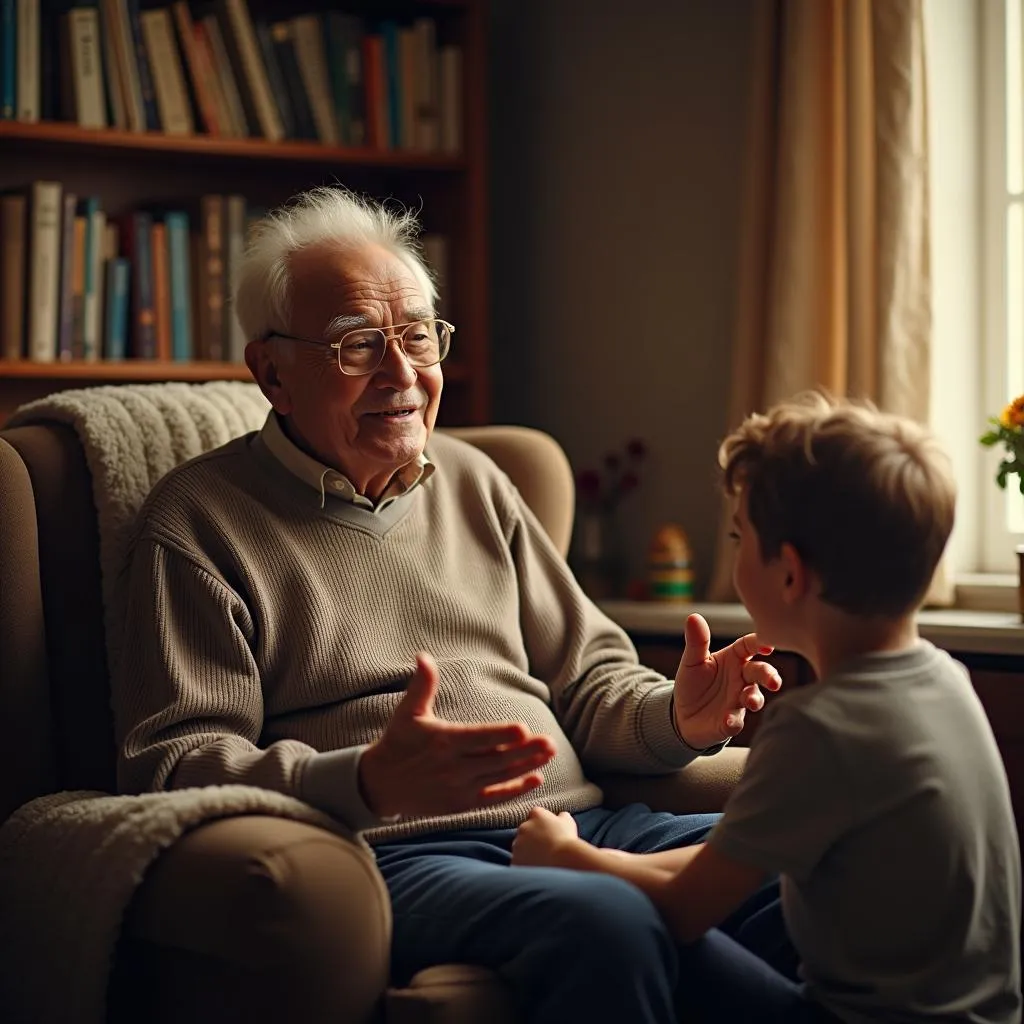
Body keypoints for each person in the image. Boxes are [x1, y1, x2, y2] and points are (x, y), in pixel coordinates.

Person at [112, 185, 791, 1023]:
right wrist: (363, 777)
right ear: (272, 373)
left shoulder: (476, 481)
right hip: (395, 854)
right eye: (359, 344)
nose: (402, 374)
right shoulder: (199, 521)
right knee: (607, 922)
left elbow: (590, 678)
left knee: (801, 872)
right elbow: (174, 764)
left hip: (581, 824)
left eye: (418, 337)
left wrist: (676, 720)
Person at [512, 393, 1023, 1024]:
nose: (733, 553)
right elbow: (732, 856)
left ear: (790, 574)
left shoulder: (818, 729)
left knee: (610, 931)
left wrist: (569, 858)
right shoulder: (946, 682)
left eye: (738, 536)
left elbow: (683, 908)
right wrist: (615, 860)